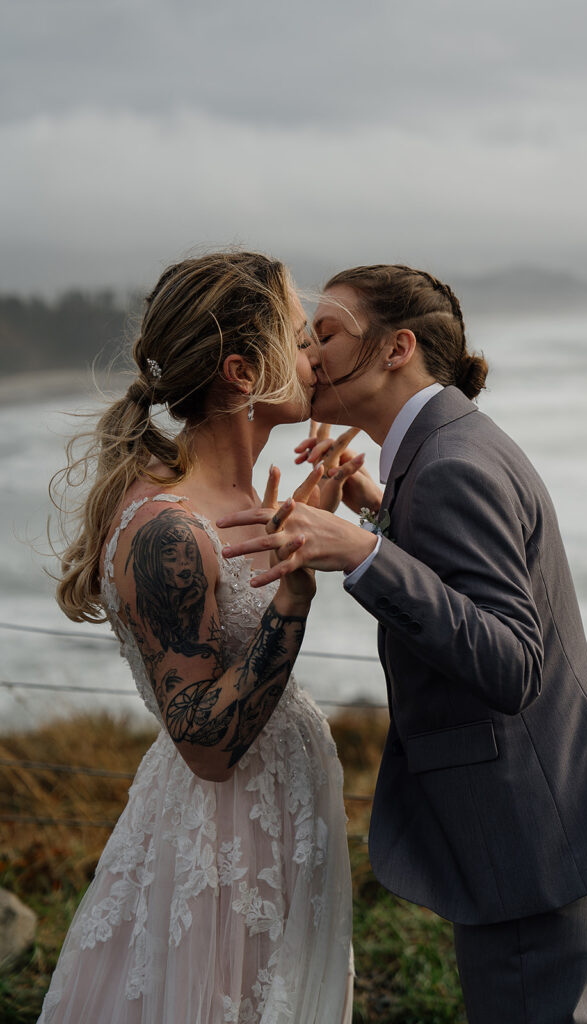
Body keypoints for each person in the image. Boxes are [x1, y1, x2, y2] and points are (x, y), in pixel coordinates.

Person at [218, 263, 587, 1024]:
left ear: (397, 348)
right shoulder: (446, 446)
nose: (308, 354)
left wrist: (363, 553)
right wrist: (381, 514)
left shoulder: (451, 465)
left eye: (324, 333)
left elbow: (510, 662)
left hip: (530, 834)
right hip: (550, 811)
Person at [39, 251, 356, 1024]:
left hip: (276, 831)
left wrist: (308, 525)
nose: (315, 355)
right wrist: (293, 595)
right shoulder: (168, 530)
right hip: (223, 857)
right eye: (296, 334)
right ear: (245, 373)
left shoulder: (241, 499)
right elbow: (206, 745)